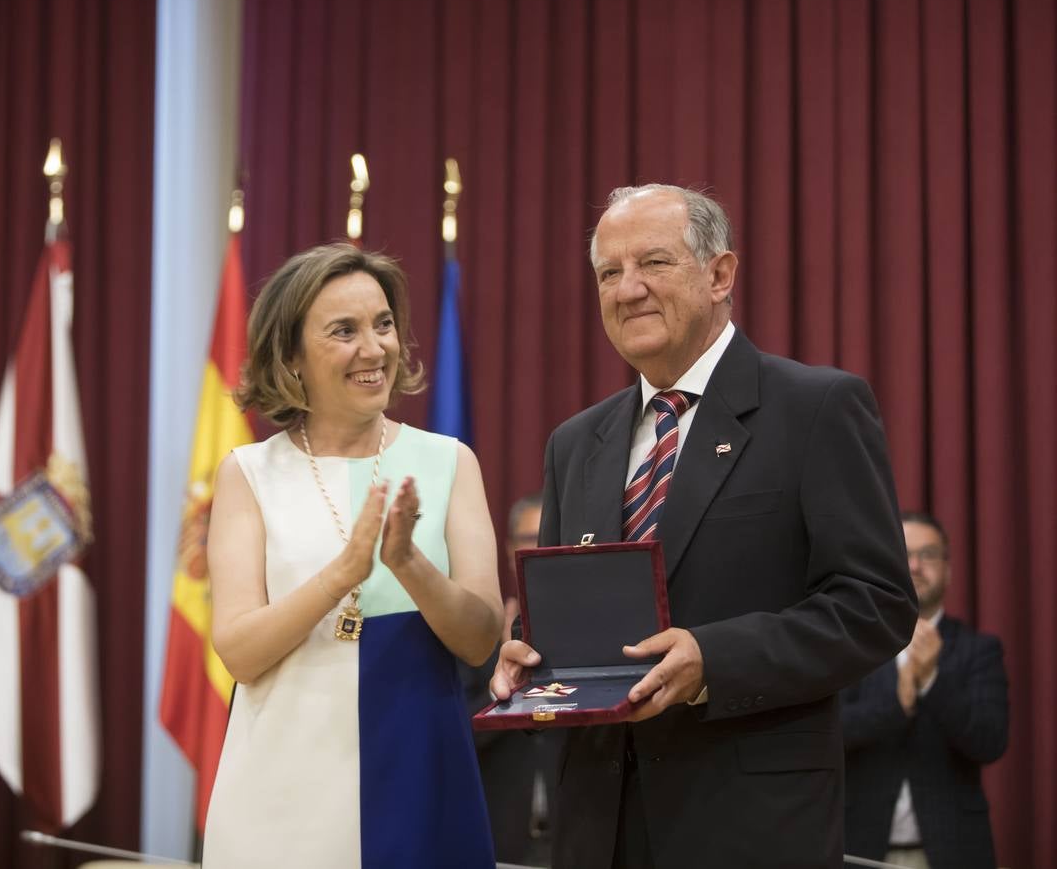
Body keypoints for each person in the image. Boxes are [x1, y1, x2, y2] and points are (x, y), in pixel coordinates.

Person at [490, 184, 918, 869]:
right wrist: (528, 652)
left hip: (750, 827)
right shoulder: (575, 444)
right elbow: (575, 612)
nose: (627, 290)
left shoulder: (815, 408)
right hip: (596, 831)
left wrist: (712, 662)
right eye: (608, 272)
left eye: (653, 263)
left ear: (720, 275)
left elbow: (876, 605)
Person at [200, 242, 503, 867]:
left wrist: (408, 564)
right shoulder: (249, 473)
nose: (376, 349)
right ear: (291, 356)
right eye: (345, 331)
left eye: (384, 324)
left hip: (420, 772)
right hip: (281, 794)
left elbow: (480, 640)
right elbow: (238, 652)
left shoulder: (450, 462)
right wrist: (344, 571)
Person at [841, 511, 1009, 869]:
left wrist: (933, 678)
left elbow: (990, 741)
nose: (915, 565)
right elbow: (830, 734)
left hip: (953, 851)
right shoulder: (853, 646)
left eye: (928, 555)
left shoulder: (979, 649)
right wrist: (897, 703)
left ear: (948, 570)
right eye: (905, 554)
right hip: (859, 847)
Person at [459, 492, 561, 867]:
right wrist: (503, 687)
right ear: (508, 548)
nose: (536, 548)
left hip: (576, 833)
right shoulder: (475, 632)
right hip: (499, 837)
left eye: (545, 537)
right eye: (527, 538)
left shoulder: (579, 635)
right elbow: (453, 731)